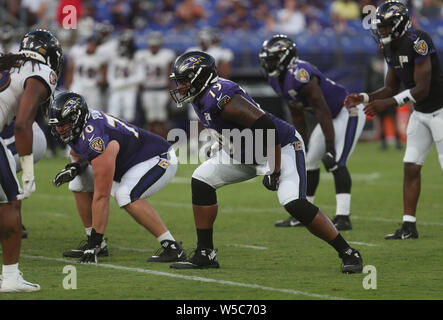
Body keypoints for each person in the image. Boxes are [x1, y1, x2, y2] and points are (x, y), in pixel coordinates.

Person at [167, 51, 363, 273]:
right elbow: (229, 126)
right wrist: (220, 142)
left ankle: (348, 252)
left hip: (281, 145)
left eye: (183, 81)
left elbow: (267, 127)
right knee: (201, 180)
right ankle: (205, 253)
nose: (180, 87)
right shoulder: (202, 96)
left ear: (200, 77)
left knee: (294, 203)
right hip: (244, 152)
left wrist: (274, 168)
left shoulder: (221, 97)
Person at [49, 92, 186, 264]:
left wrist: (94, 245)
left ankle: (172, 247)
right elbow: (77, 152)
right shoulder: (78, 125)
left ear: (77, 119)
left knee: (125, 195)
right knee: (77, 182)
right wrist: (74, 167)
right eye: (58, 125)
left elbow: (102, 196)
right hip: (129, 163)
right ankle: (96, 240)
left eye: (64, 125)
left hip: (157, 157)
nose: (60, 129)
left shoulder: (95, 137)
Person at [344, 1, 443, 240]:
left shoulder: (417, 41)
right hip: (420, 114)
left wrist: (385, 104)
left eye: (387, 26)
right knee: (410, 166)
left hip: (440, 111)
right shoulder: (389, 48)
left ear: (399, 25)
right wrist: (365, 97)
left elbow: (422, 88)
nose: (383, 31)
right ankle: (409, 225)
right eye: (382, 26)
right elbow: (390, 87)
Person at [259, 34, 366, 230]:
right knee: (309, 162)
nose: (269, 64)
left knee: (336, 161)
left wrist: (330, 144)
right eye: (267, 60)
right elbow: (297, 115)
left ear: (285, 57)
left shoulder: (301, 73)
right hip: (328, 117)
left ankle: (343, 217)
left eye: (273, 59)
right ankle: (302, 214)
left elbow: (321, 109)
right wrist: (304, 143)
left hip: (347, 110)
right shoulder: (276, 79)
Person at [0, 29, 62, 292]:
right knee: (10, 203)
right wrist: (28, 171)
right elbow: (23, 125)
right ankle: (11, 278)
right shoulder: (38, 72)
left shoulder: (7, 62)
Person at [0, 121, 48, 239]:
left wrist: (28, 173)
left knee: (8, 192)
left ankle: (12, 225)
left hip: (24, 137)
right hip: (26, 134)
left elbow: (22, 124)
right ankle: (11, 223)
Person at [135, 32, 175, 138]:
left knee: (162, 119)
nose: (153, 48)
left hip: (162, 89)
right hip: (148, 90)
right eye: (152, 46)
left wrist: (170, 91)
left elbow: (170, 75)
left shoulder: (166, 55)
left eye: (155, 46)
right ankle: (154, 144)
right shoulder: (142, 55)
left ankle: (165, 144)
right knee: (150, 119)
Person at [107, 30, 141, 123]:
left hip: (130, 90)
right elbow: (110, 74)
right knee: (113, 116)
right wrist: (113, 83)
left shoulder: (137, 57)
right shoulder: (114, 55)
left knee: (129, 117)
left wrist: (123, 82)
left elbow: (140, 76)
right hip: (116, 89)